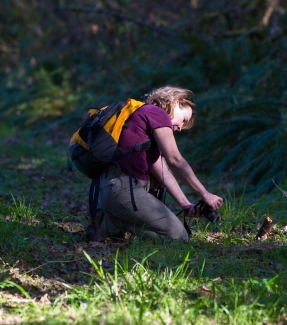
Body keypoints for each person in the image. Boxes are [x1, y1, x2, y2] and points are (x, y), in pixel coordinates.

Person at [93, 86, 223, 242]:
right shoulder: (157, 113)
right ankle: (114, 223)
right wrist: (205, 194)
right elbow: (175, 160)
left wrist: (186, 205)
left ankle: (112, 222)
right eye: (184, 120)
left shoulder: (144, 121)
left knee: (177, 236)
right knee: (178, 237)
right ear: (175, 102)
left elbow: (164, 173)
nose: (181, 128)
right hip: (124, 189)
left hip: (113, 189)